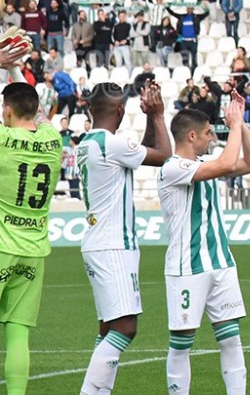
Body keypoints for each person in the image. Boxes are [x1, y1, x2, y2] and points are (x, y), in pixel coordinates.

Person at [158, 94, 250, 395]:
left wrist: (240, 125)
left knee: (231, 338)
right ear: (192, 136)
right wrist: (233, 126)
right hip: (186, 266)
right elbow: (229, 161)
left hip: (220, 263)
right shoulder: (173, 168)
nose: (211, 138)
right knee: (182, 342)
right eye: (207, 133)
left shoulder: (205, 162)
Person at [78, 82, 173, 395]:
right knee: (125, 328)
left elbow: (144, 153)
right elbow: (163, 156)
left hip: (99, 241)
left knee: (108, 328)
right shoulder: (110, 143)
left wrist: (148, 120)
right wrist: (157, 115)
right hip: (113, 245)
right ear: (119, 110)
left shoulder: (89, 141)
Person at [0, 69, 63, 395]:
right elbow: (36, 116)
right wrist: (11, 70)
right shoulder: (53, 140)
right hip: (33, 249)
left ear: (6, 110)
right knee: (18, 333)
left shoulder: (2, 140)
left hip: (1, 245)